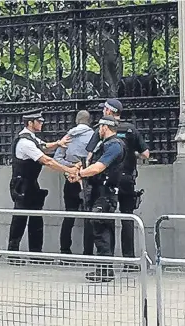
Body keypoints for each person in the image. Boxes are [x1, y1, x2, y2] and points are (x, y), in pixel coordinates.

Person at [86, 99, 150, 271]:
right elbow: (146, 154)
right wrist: (132, 154)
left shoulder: (101, 130)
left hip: (108, 181)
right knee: (127, 217)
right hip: (127, 179)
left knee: (106, 220)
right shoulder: (131, 129)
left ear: (108, 111)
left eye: (104, 109)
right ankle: (129, 262)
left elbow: (89, 155)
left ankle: (107, 264)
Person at [8, 112, 79, 262]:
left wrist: (58, 143)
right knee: (20, 218)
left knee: (35, 218)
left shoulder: (31, 138)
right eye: (38, 121)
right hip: (22, 185)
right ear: (30, 123)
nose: (41, 123)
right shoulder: (25, 142)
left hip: (31, 183)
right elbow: (47, 160)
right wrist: (68, 169)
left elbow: (44, 146)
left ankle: (36, 254)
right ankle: (12, 254)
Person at [70, 115, 126, 282]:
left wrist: (79, 174)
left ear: (104, 127)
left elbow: (99, 167)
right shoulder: (105, 144)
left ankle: (104, 271)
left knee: (101, 229)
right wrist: (80, 168)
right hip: (98, 191)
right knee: (101, 230)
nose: (98, 130)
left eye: (100, 127)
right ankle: (104, 270)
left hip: (105, 194)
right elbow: (91, 163)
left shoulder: (115, 145)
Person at [53, 110, 94, 256]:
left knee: (69, 214)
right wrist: (81, 167)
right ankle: (87, 252)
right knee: (89, 216)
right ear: (89, 121)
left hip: (70, 178)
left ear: (76, 121)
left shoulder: (68, 136)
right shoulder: (94, 136)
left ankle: (65, 251)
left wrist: (71, 167)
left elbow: (57, 158)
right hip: (87, 178)